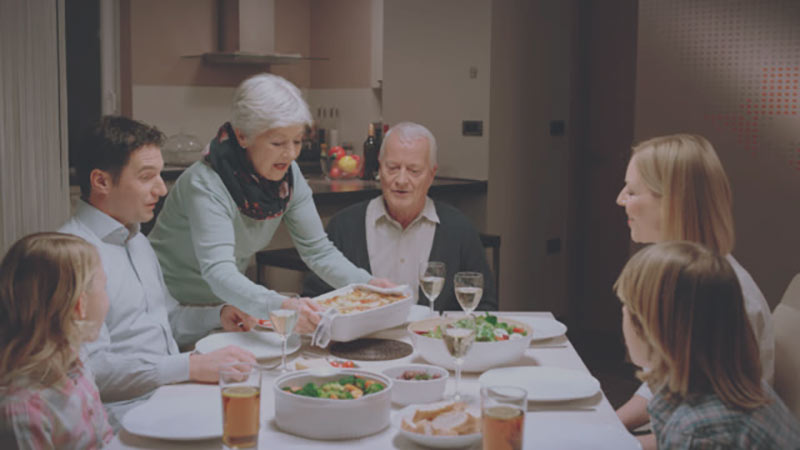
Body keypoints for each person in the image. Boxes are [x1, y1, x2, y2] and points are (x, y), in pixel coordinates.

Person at [148, 73, 392, 333]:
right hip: (168, 307)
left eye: (297, 141)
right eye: (277, 142)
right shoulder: (207, 183)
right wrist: (281, 305)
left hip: (226, 307)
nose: (290, 154)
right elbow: (218, 271)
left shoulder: (289, 178)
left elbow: (318, 251)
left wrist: (367, 285)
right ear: (242, 136)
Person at [60, 116, 256, 429]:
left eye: (160, 175)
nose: (161, 189)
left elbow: (169, 321)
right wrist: (188, 367)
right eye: (146, 177)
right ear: (101, 182)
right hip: (120, 420)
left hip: (170, 397)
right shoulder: (72, 255)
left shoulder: (137, 241)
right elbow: (89, 369)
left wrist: (218, 315)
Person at [614, 133, 775, 448]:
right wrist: (609, 425)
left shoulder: (723, 297)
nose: (620, 199)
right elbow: (670, 384)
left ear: (672, 201)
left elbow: (705, 431)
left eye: (632, 191)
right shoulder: (682, 278)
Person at [614, 241, 800, 448]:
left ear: (651, 330)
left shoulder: (701, 432)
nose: (623, 314)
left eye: (627, 307)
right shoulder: (737, 385)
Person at [303, 122, 498, 312]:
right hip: (359, 344)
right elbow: (314, 301)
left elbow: (484, 306)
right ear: (379, 169)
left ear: (431, 175)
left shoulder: (459, 230)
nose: (402, 180)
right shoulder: (344, 226)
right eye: (393, 168)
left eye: (414, 171)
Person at [0, 233, 114, 449]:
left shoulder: (76, 364)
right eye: (104, 288)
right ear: (80, 306)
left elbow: (105, 440)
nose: (107, 298)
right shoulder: (19, 412)